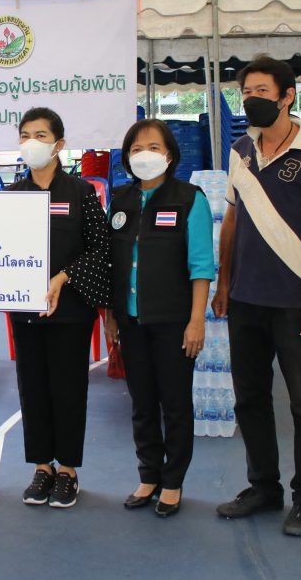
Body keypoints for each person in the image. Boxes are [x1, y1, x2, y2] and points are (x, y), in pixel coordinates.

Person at [213, 55, 301, 537]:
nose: (252, 100)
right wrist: (224, 283)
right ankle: (263, 487)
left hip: (297, 304)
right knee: (249, 398)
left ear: (287, 96)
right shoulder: (241, 150)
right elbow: (232, 219)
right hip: (245, 299)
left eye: (262, 91)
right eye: (247, 92)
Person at [103, 119, 215, 518]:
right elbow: (111, 262)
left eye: (152, 147)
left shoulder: (190, 199)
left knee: (175, 404)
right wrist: (111, 316)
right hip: (130, 321)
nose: (143, 155)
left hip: (174, 322)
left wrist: (196, 321)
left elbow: (201, 266)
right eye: (136, 149)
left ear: (169, 154)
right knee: (142, 403)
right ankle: (148, 474)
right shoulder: (120, 199)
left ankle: (172, 481)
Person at [6, 108, 111, 509]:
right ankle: (41, 467)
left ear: (59, 144)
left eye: (40, 135)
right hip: (25, 312)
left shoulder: (80, 192)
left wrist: (64, 276)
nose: (31, 143)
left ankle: (67, 470)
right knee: (32, 387)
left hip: (71, 311)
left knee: (68, 388)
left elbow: (101, 248)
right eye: (25, 135)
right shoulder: (13, 195)